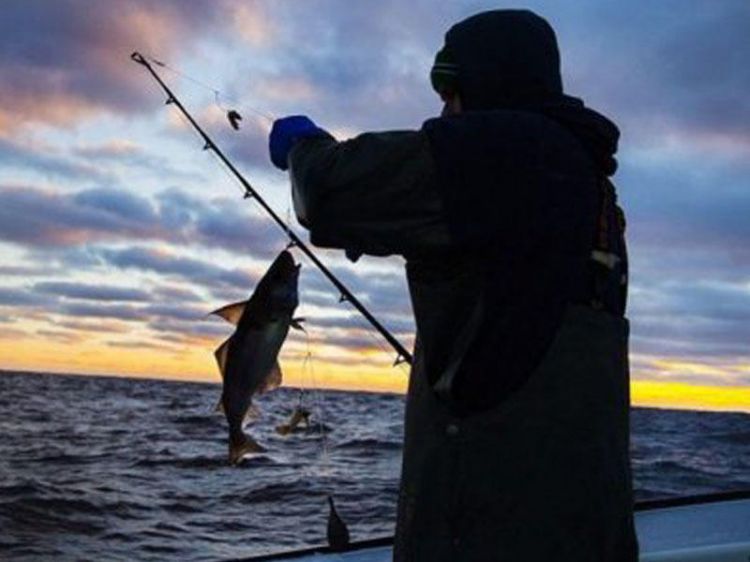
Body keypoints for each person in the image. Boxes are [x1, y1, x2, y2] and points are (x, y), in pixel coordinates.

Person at [268, 9, 637, 562]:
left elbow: (326, 192)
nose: (444, 112)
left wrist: (305, 146)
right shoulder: (585, 181)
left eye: (451, 94)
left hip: (489, 530)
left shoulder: (501, 149)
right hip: (586, 525)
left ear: (488, 80)